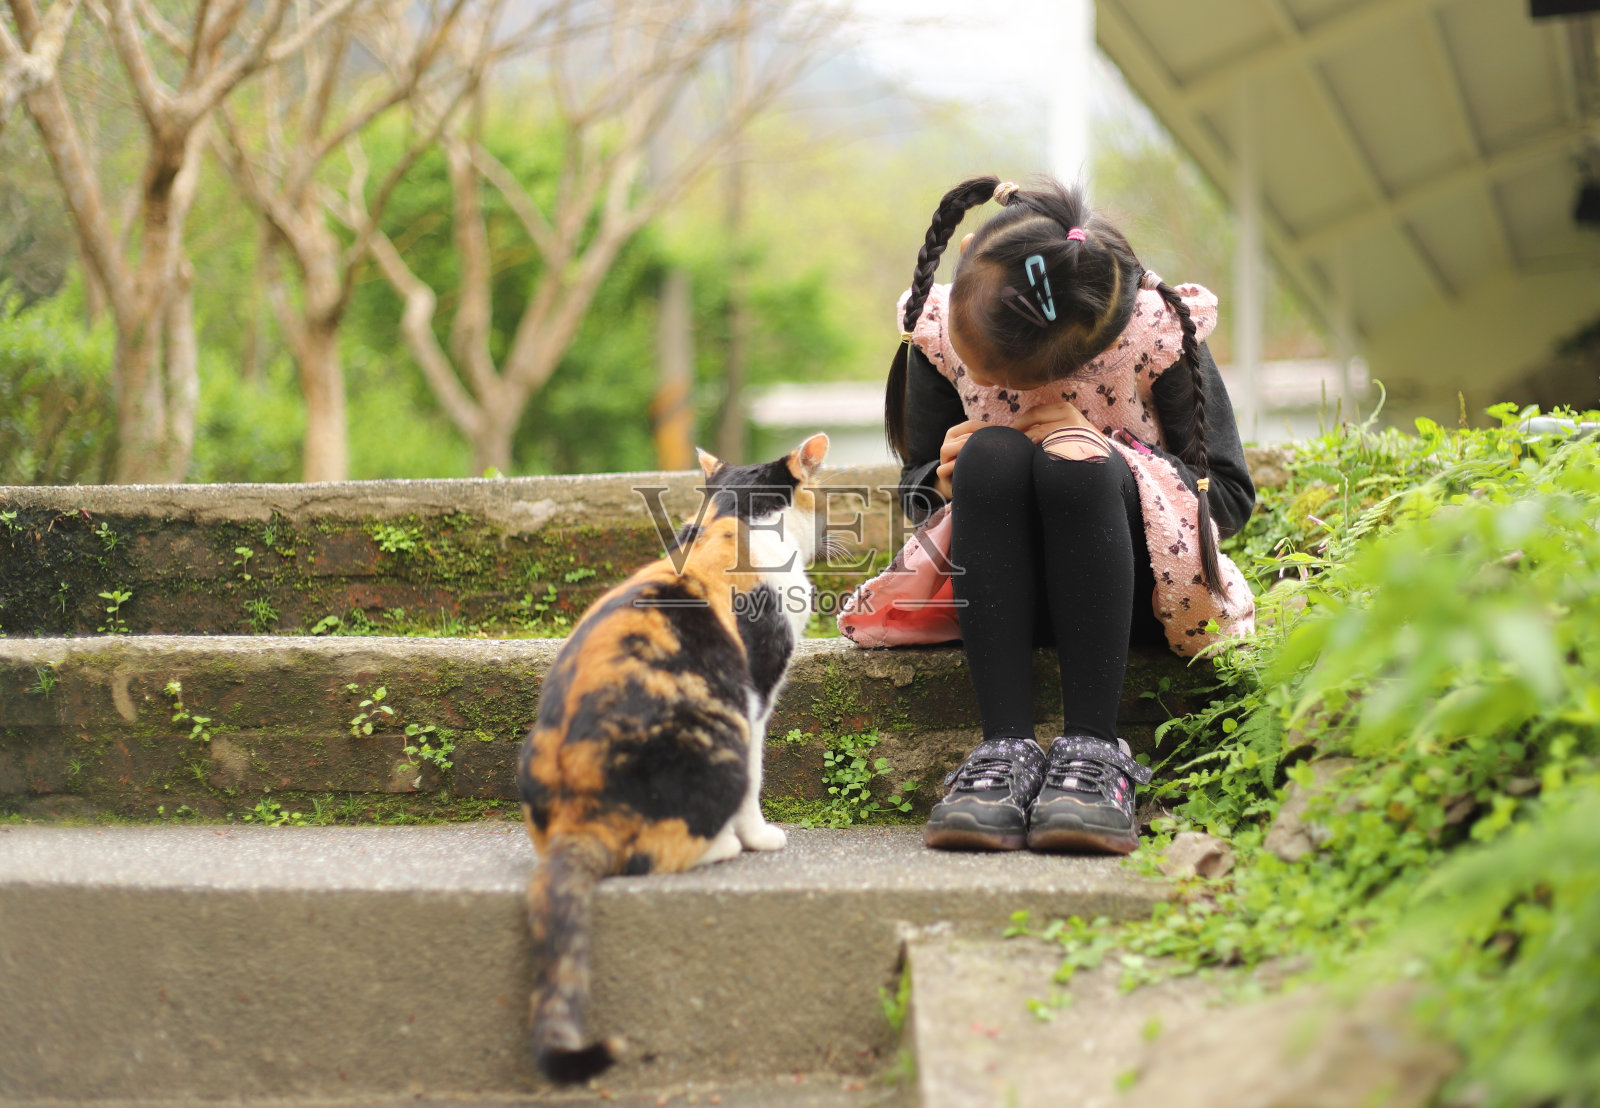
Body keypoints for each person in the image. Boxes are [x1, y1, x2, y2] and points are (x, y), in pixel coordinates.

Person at [837, 176, 1257, 855]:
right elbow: (916, 490)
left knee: (1072, 461)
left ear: (1090, 342)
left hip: (1138, 598)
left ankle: (1095, 752)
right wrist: (940, 480)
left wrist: (1112, 454)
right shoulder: (942, 325)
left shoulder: (1153, 332)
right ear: (967, 253)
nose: (1003, 390)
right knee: (991, 456)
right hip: (999, 597)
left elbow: (1228, 496)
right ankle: (1003, 749)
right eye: (990, 375)